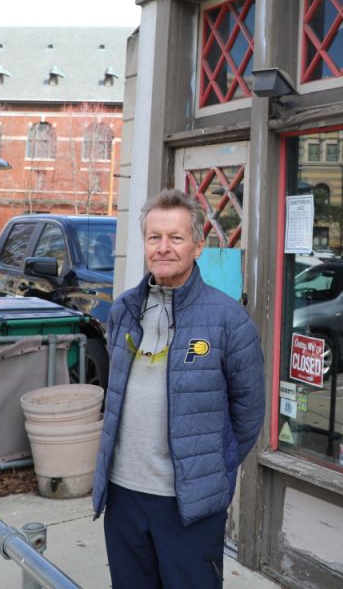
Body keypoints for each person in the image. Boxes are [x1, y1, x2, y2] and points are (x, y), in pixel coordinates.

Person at [92, 189, 264, 588]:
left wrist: (212, 472)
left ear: (198, 246)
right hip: (124, 496)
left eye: (176, 238)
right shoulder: (122, 310)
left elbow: (249, 411)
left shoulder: (228, 320)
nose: (163, 248)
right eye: (155, 238)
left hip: (188, 505)